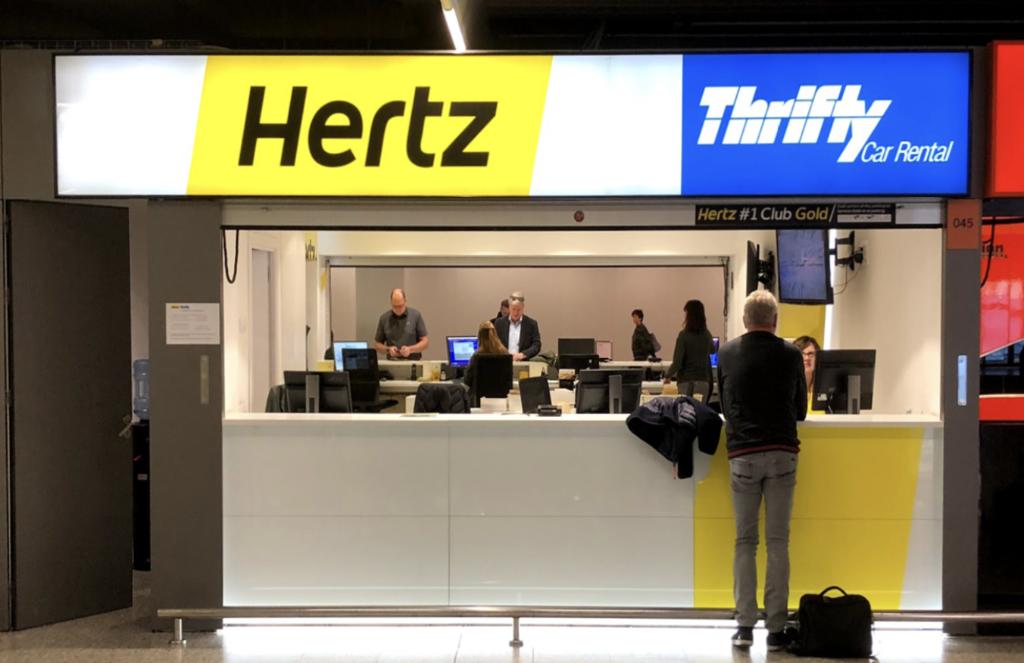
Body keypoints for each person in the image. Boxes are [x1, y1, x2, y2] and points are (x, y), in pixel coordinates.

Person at [717, 290, 807, 651]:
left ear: (744, 320)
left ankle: (744, 626)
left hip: (743, 455)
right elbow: (801, 410)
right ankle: (776, 629)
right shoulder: (792, 354)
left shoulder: (726, 354)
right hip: (783, 453)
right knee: (778, 542)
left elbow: (725, 406)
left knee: (745, 541)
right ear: (775, 321)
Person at [664, 300, 715, 389]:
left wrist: (668, 376)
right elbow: (713, 350)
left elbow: (678, 362)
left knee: (686, 399)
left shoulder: (683, 335)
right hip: (703, 382)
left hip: (686, 381)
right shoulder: (707, 335)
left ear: (690, 316)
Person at [373, 288, 429, 360]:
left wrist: (410, 349)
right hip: (392, 362)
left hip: (412, 362)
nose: (398, 309)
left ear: (405, 301)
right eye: (394, 306)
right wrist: (388, 349)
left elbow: (425, 342)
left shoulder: (415, 315)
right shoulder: (384, 318)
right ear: (391, 303)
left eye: (400, 306)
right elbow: (377, 345)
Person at [463, 320, 508, 395]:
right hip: (501, 398)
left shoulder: (477, 356)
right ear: (495, 334)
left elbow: (467, 381)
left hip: (479, 398)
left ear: (479, 336)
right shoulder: (505, 353)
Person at [493, 292, 541, 361]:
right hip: (503, 362)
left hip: (523, 362)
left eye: (519, 310)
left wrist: (523, 354)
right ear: (509, 308)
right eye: (513, 309)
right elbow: (494, 343)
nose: (516, 313)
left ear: (523, 308)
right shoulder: (499, 323)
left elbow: (536, 345)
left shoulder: (531, 324)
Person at [793, 335, 821, 413]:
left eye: (811, 354)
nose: (806, 358)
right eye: (802, 353)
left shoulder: (823, 391)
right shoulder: (787, 389)